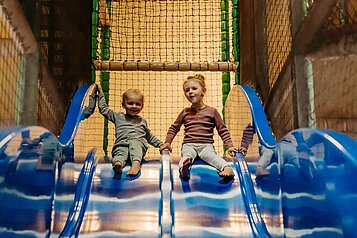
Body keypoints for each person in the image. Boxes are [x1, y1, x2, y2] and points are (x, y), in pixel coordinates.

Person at [160, 74, 242, 181]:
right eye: (187, 90)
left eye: (194, 88)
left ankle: (227, 168)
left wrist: (230, 146)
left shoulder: (212, 111)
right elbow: (174, 128)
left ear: (203, 91)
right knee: (186, 157)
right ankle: (183, 169)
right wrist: (167, 142)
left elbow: (222, 130)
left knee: (212, 158)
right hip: (189, 144)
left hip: (206, 145)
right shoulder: (185, 112)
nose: (190, 92)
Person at [97, 83, 163, 177]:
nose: (134, 106)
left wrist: (160, 144)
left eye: (137, 104)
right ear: (123, 105)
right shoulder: (118, 117)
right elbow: (103, 109)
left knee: (135, 145)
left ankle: (136, 164)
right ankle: (118, 164)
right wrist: (100, 94)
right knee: (119, 151)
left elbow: (149, 136)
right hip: (122, 143)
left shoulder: (142, 121)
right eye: (130, 103)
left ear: (142, 106)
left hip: (138, 144)